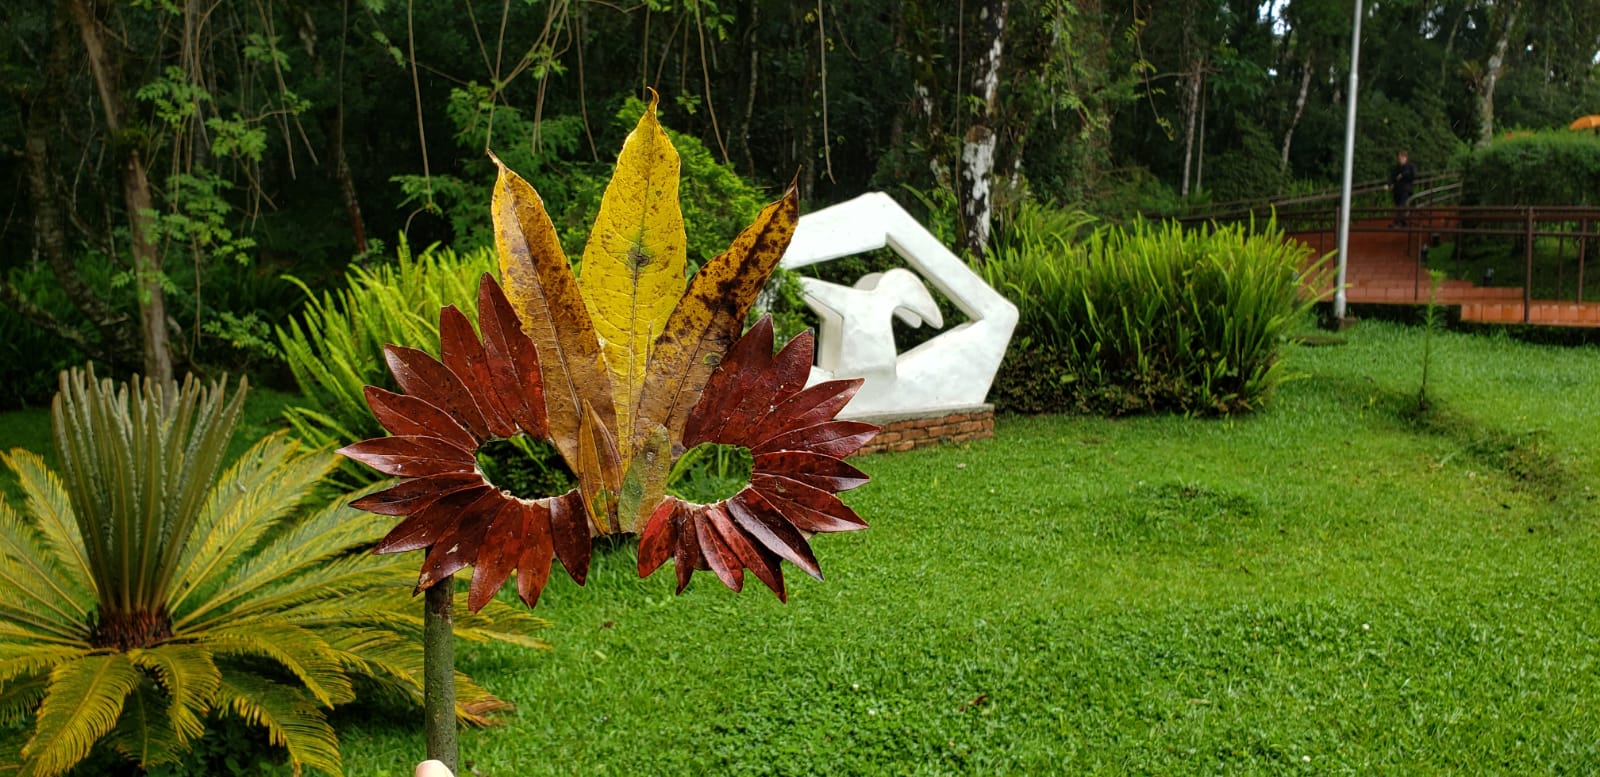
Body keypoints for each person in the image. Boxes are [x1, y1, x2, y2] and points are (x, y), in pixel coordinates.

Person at [1387, 150, 1416, 228]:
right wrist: (1389, 184)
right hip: (1397, 190)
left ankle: (1398, 222)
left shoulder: (1410, 166)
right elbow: (1392, 177)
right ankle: (1404, 222)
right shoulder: (1397, 167)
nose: (1399, 160)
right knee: (1398, 206)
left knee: (1401, 206)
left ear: (1405, 158)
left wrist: (1403, 175)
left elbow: (1413, 176)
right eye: (1399, 158)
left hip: (1405, 190)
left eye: (1401, 158)